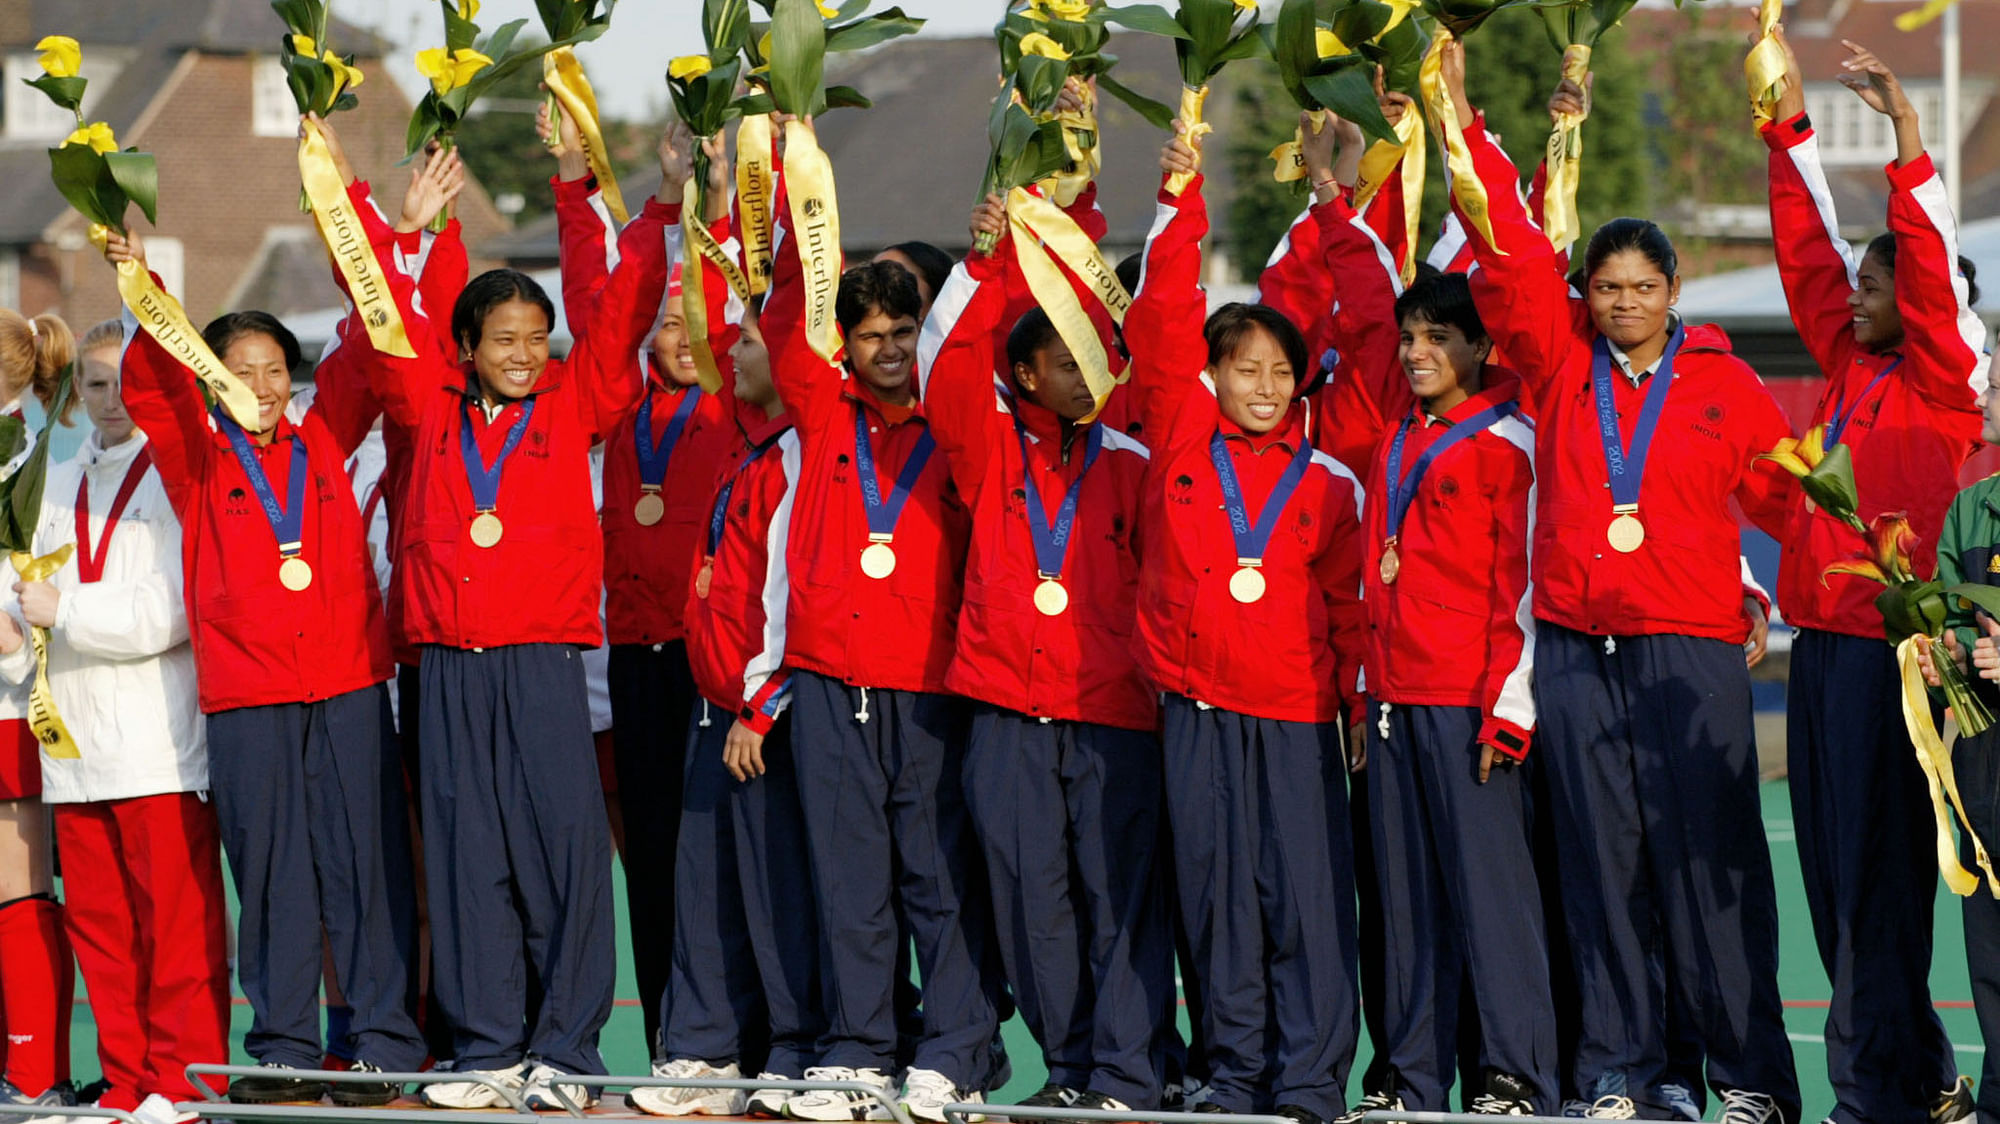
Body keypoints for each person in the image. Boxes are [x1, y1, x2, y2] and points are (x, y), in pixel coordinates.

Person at [1439, 37, 1801, 1124]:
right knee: (1604, 871)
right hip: (1576, 650)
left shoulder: (1724, 384)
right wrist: (1458, 114)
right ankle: (1626, 1074)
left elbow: (1785, 502)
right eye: (1606, 287)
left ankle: (1745, 1080)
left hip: (1685, 649)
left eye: (1642, 286)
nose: (1624, 302)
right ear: (1585, 293)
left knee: (1708, 864)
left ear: (1672, 288)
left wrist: (1798, 586)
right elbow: (1505, 251)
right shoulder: (1555, 364)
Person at [349, 129, 678, 1110]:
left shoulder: (575, 403)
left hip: (540, 661)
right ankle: (487, 1045)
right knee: (464, 855)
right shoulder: (427, 407)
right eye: (504, 340)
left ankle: (566, 1052)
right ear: (467, 349)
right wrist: (406, 237)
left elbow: (616, 317)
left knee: (563, 857)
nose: (525, 355)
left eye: (536, 339)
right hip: (447, 662)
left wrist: (650, 202)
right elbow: (389, 332)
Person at [98, 230, 425, 1108]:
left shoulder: (326, 435)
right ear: (217, 378)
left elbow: (370, 339)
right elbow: (153, 385)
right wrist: (143, 286)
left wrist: (384, 232)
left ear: (295, 377)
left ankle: (377, 1042)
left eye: (277, 368)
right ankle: (281, 1045)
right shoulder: (199, 458)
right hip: (248, 698)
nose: (263, 385)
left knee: (365, 866)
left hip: (350, 685)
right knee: (273, 871)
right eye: (242, 368)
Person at [1759, 33, 1984, 1124]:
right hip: (1822, 650)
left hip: (1897, 659)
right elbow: (1805, 257)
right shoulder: (1849, 363)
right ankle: (1921, 1069)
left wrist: (1902, 138)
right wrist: (1784, 126)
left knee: (1874, 884)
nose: (1850, 297)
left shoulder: (1945, 381)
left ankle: (1872, 1096)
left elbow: (1928, 276)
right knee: (1838, 881)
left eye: (1872, 282)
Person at [1125, 117, 1367, 1124]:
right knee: (1217, 900)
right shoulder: (1179, 442)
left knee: (1304, 907)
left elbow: (1351, 612)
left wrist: (1329, 202)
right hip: (1194, 707)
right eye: (1243, 371)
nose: (1261, 387)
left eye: (1278, 372)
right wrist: (1178, 199)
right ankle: (1235, 1076)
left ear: (1298, 380)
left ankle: (1308, 1081)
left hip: (1298, 712)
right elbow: (1163, 316)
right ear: (1213, 378)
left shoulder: (1328, 483)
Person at [914, 192, 1172, 1114]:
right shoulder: (988, 453)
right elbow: (944, 370)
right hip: (1008, 712)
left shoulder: (1138, 464)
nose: (1083, 375)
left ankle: (1132, 1074)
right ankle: (1070, 1070)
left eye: (1093, 360)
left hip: (1111, 718)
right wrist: (981, 264)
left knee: (1119, 902)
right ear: (1020, 373)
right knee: (1033, 902)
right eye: (1062, 361)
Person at [763, 117, 999, 1124]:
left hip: (928, 683)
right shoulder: (824, 415)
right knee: (849, 877)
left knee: (935, 877)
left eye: (906, 332)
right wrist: (790, 170)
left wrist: (990, 261)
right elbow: (786, 310)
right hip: (831, 681)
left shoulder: (955, 419)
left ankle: (953, 1053)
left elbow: (980, 345)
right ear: (846, 346)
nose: (892, 350)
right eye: (871, 336)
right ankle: (858, 1048)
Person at [546, 103, 746, 1057]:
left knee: (727, 861)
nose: (674, 329)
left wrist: (715, 193)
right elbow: (600, 294)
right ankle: (674, 1043)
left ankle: (751, 1041)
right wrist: (590, 187)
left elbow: (748, 279)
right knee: (657, 862)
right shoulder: (617, 406)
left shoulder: (737, 409)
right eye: (663, 320)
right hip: (637, 658)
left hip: (720, 666)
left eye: (691, 316)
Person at [0, 318, 227, 1124]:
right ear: (75, 393)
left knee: (175, 928)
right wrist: (20, 629)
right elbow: (30, 596)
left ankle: (188, 1081)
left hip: (156, 742)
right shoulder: (57, 481)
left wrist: (65, 611)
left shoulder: (178, 474)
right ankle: (128, 1082)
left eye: (127, 382)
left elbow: (168, 609)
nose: (112, 399)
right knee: (101, 929)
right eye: (96, 384)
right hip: (74, 746)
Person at [631, 293, 822, 1121]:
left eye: (743, 341)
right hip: (713, 701)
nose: (725, 352)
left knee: (779, 887)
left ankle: (792, 1051)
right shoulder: (744, 448)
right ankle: (703, 1052)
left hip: (763, 709)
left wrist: (766, 698)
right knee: (702, 887)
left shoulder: (801, 456)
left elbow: (797, 594)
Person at [1915, 372, 2000, 1124]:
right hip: (1986, 756)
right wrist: (1938, 652)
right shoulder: (1971, 508)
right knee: (1992, 941)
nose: (1985, 402)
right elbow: (1947, 614)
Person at [0, 309, 77, 1122]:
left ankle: (36, 1071)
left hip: (13, 702)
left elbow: (38, 565)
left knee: (17, 887)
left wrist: (13, 628)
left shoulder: (33, 454)